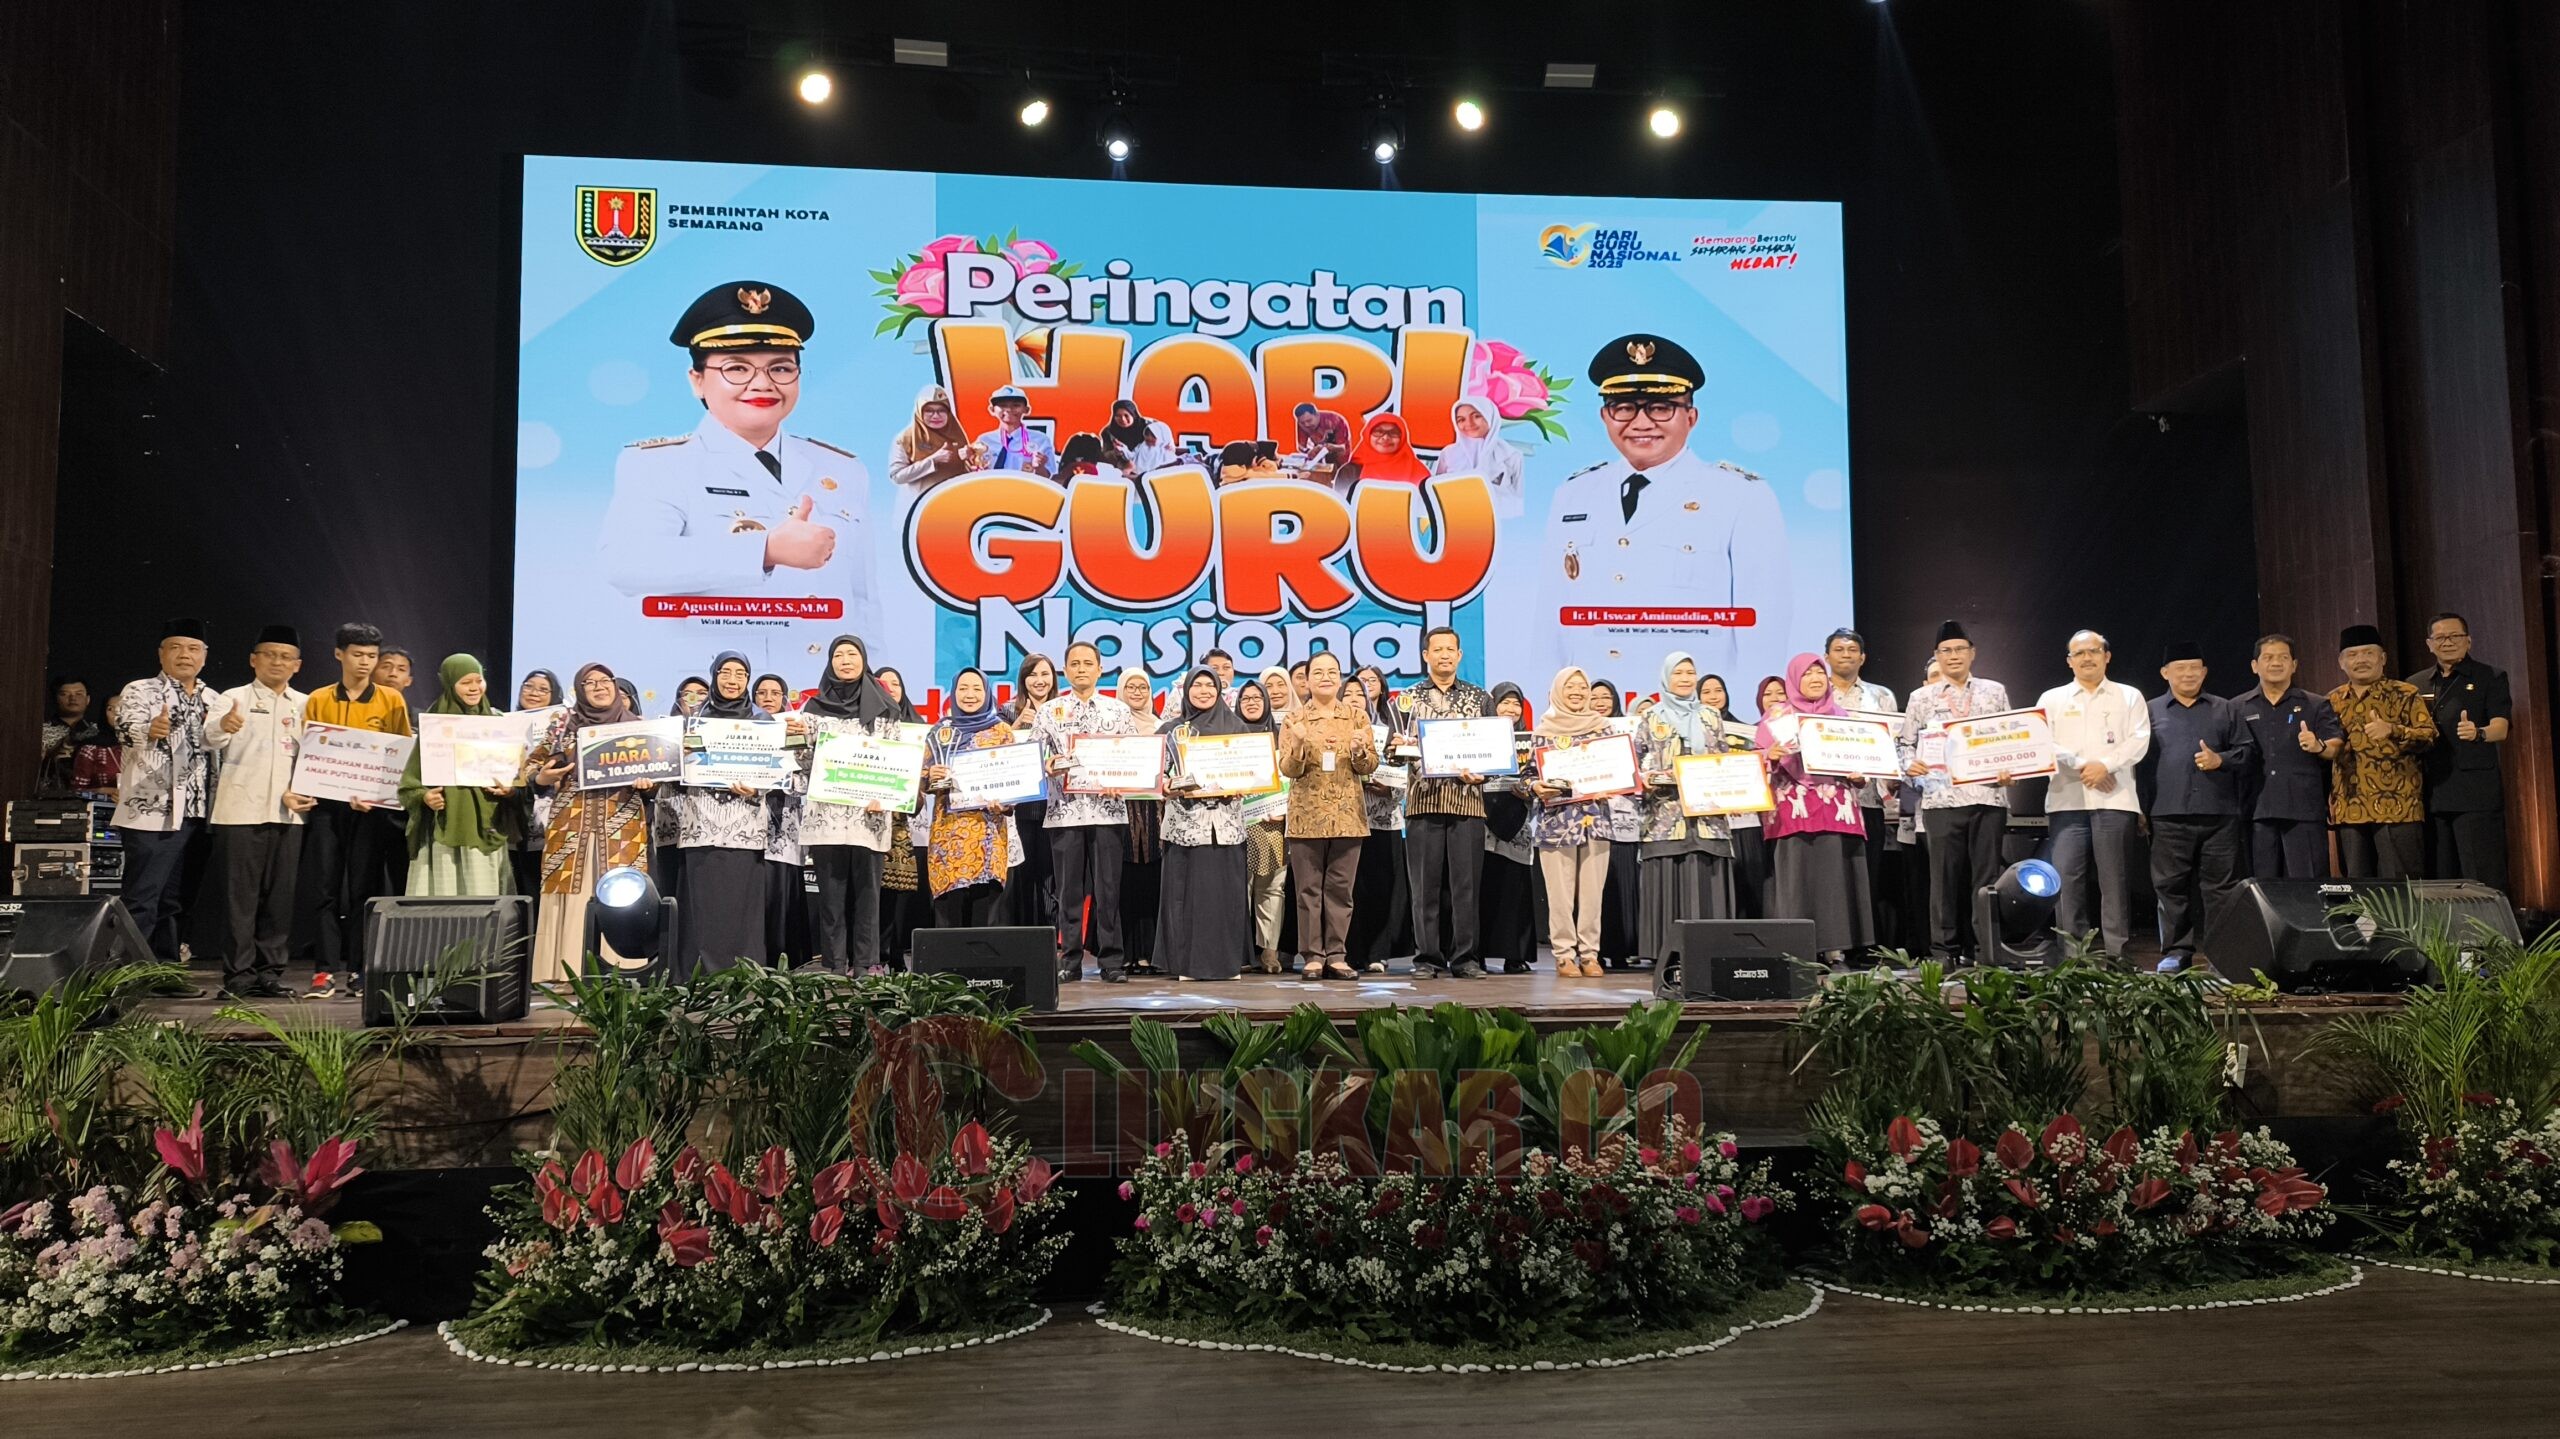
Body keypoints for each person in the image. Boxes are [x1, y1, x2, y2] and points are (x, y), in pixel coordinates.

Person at [597, 281, 879, 665]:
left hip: (823, 684)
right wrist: (765, 550)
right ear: (697, 380)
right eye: (737, 368)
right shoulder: (657, 465)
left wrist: (876, 678)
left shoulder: (843, 469)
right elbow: (628, 564)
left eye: (781, 368)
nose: (762, 384)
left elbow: (862, 601)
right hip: (712, 684)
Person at [1544, 333, 1790, 690]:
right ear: (1604, 416)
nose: (1641, 423)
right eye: (1624, 407)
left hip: (1693, 706)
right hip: (1592, 703)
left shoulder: (1741, 495)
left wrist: (1743, 714)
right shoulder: (1573, 494)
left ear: (1691, 417)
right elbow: (1550, 622)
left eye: (1660, 407)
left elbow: (1762, 627)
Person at [522, 664, 656, 984]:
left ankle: (620, 974)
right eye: (589, 682)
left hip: (622, 824)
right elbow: (531, 767)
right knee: (569, 894)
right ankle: (562, 974)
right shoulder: (563, 724)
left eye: (605, 680)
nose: (599, 687)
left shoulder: (637, 727)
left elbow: (658, 778)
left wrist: (649, 784)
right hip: (571, 824)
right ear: (579, 690)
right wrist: (541, 778)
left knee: (621, 897)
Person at [295, 622, 412, 988]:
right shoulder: (319, 699)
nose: (365, 662)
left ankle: (361, 968)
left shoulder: (390, 700)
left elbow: (399, 753)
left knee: (365, 889)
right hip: (327, 807)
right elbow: (309, 752)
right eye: (358, 654)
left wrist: (376, 794)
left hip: (370, 810)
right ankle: (325, 969)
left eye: (371, 656)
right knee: (326, 888)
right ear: (339, 654)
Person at [206, 626, 314, 997]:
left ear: (297, 665)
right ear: (254, 659)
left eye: (286, 657)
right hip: (239, 812)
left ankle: (270, 973)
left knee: (279, 898)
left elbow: (316, 758)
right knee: (240, 900)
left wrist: (306, 790)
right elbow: (209, 738)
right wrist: (223, 725)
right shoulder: (232, 697)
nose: (277, 662)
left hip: (288, 813)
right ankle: (238, 975)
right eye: (269, 655)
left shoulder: (306, 704)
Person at [1032, 641, 1147, 983]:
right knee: (1068, 891)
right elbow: (1031, 756)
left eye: (1087, 663)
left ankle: (1111, 961)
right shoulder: (1049, 711)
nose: (1081, 669)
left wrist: (1121, 781)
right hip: (1064, 813)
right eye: (1074, 664)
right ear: (1065, 670)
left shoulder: (1118, 711)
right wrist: (1046, 765)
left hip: (1108, 813)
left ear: (1100, 669)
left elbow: (1134, 756)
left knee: (1108, 891)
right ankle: (1069, 960)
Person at [1898, 621, 2013, 961]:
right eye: (1946, 651)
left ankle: (1985, 949)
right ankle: (1943, 951)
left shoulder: (1994, 691)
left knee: (1987, 880)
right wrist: (1910, 766)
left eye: (1960, 649)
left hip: (1989, 796)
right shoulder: (1921, 697)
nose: (1953, 656)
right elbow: (1904, 745)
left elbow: (2010, 737)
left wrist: (2011, 769)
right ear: (1936, 656)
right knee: (1943, 880)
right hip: (1940, 799)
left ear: (1972, 653)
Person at [2040, 631, 2151, 962]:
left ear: (2107, 656)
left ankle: (2117, 956)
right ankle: (2073, 959)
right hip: (2066, 800)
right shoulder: (2052, 699)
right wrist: (2081, 764)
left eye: (2093, 651)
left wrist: (2106, 765)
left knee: (2114, 881)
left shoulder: (2129, 696)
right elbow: (2042, 740)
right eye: (2079, 653)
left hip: (2114, 800)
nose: (2087, 658)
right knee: (2067, 883)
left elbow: (2139, 739)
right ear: (2069, 661)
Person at [1759, 653, 1875, 960]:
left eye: (1819, 673)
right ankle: (1797, 949)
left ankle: (1835, 948)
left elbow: (1860, 764)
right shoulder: (1777, 717)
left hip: (1836, 810)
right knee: (1797, 880)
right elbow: (1758, 762)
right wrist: (1770, 756)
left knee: (1834, 880)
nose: (1814, 679)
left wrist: (1860, 775)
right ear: (1795, 679)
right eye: (1807, 674)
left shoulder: (1841, 717)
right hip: (1793, 811)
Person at [2148, 642, 2254, 969]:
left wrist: (2220, 759)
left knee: (2221, 889)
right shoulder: (2149, 711)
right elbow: (2137, 764)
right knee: (2170, 887)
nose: (2188, 674)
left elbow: (2247, 752)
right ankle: (2175, 952)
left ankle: (2220, 956)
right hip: (2167, 813)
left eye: (2195, 667)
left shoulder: (2225, 708)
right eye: (2180, 668)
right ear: (2165, 673)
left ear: (2205, 672)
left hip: (2219, 813)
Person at [1397, 627, 1494, 980]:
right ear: (1425, 655)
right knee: (1424, 887)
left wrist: (1482, 774)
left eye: (1450, 649)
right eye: (1437, 649)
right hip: (1423, 802)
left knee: (1466, 886)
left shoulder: (1480, 698)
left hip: (1468, 803)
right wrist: (1402, 749)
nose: (1444, 655)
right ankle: (1427, 958)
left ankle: (1466, 958)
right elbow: (1394, 753)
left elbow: (1493, 750)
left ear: (1459, 655)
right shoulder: (1406, 699)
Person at [797, 636, 896, 973]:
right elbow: (803, 764)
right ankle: (835, 966)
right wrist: (795, 738)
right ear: (830, 662)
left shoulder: (885, 710)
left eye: (852, 654)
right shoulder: (812, 709)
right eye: (838, 655)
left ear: (864, 660)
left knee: (868, 896)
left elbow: (897, 761)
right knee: (831, 897)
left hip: (870, 816)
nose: (845, 660)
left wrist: (885, 796)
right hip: (826, 817)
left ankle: (866, 965)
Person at [674, 652, 778, 975]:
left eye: (740, 674)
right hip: (701, 824)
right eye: (725, 672)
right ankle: (698, 976)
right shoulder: (692, 721)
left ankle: (743, 974)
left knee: (741, 903)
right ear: (714, 676)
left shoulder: (764, 721)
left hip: (743, 825)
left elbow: (777, 773)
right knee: (703, 904)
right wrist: (681, 756)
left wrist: (758, 788)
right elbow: (672, 774)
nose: (732, 680)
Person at [1277, 651, 1378, 980]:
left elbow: (1369, 765)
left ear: (1340, 677)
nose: (1325, 677)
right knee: (1308, 890)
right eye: (1318, 672)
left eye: (1332, 672)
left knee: (1340, 889)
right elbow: (1288, 769)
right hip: (1306, 816)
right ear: (1306, 679)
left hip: (1348, 815)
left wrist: (1360, 751)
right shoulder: (1294, 719)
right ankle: (1312, 955)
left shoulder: (1357, 717)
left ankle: (1336, 954)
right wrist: (1298, 745)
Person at [1634, 651, 1736, 969]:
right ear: (1666, 677)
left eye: (1690, 673)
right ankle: (1667, 956)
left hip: (1707, 820)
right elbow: (1634, 765)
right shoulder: (1651, 718)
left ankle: (1710, 952)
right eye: (1678, 673)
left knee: (1706, 880)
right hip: (1665, 820)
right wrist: (1646, 778)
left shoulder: (1711, 716)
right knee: (1668, 882)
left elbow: (1724, 759)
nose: (1685, 678)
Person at [1158, 668, 1253, 980]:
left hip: (1226, 827)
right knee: (1188, 898)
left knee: (1226, 897)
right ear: (1185, 691)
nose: (1203, 690)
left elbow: (1255, 773)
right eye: (1196, 685)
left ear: (1219, 690)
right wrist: (1168, 786)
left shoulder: (1238, 728)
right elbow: (1157, 777)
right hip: (1186, 827)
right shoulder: (1171, 730)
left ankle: (1228, 964)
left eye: (1209, 685)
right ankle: (1187, 965)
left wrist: (1246, 784)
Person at [397, 656, 517, 896]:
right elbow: (409, 784)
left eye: (478, 681)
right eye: (465, 682)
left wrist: (510, 790)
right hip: (445, 826)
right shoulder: (435, 723)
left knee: (485, 899)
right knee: (444, 900)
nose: (474, 688)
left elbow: (514, 776)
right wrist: (425, 797)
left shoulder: (497, 723)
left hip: (485, 827)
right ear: (450, 684)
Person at [2410, 612, 2512, 890]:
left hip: (2475, 794)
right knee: (2440, 877)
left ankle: (2489, 921)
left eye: (2455, 636)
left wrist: (2478, 732)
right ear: (2429, 644)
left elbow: (2501, 728)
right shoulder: (2415, 684)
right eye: (2440, 637)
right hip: (2430, 793)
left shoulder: (2490, 676)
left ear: (2468, 641)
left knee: (2482, 875)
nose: (2448, 642)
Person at [1527, 667, 1615, 978]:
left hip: (1595, 821)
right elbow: (1528, 777)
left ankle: (1590, 954)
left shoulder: (1605, 730)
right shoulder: (1543, 732)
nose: (1576, 692)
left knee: (1592, 894)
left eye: (1582, 687)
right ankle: (1564, 955)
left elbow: (1620, 770)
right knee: (1560, 896)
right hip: (1557, 823)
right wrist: (1535, 786)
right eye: (1570, 687)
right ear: (1557, 691)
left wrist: (1614, 783)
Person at [2329, 624, 2435, 879]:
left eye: (2369, 653)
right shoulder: (2332, 700)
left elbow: (2429, 736)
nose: (2361, 660)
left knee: (2401, 885)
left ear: (2383, 658)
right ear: (2342, 662)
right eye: (2353, 655)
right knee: (2356, 885)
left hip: (2399, 806)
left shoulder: (2405, 693)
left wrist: (2393, 730)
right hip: (2350, 807)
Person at [1825, 628, 1906, 958]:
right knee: (1832, 878)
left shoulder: (1881, 697)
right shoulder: (1817, 694)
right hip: (1828, 803)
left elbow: (1894, 745)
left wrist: (1892, 778)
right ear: (1827, 656)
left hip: (1868, 801)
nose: (1845, 655)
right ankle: (1832, 945)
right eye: (1838, 649)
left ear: (1862, 657)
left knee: (1866, 876)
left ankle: (1863, 947)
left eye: (1852, 650)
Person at [2235, 634, 2343, 879]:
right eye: (2268, 658)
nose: (2276, 663)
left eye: (2283, 658)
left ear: (2294, 665)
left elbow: (2336, 745)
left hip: (2304, 809)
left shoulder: (2316, 704)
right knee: (2262, 886)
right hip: (2255, 809)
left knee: (2308, 883)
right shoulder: (2236, 707)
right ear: (2254, 666)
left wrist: (2318, 746)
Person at [923, 668, 1016, 928]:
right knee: (949, 916)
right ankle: (948, 958)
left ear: (987, 693)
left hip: (988, 837)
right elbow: (922, 780)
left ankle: (983, 958)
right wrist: (931, 776)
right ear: (953, 693)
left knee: (983, 915)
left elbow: (1015, 778)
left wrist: (1005, 802)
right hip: (948, 836)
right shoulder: (940, 732)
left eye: (977, 688)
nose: (970, 695)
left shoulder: (1002, 731)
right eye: (963, 688)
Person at [1340, 670, 1411, 975]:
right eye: (1349, 694)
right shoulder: (1333, 730)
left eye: (1361, 692)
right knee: (1350, 889)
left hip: (1384, 820)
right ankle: (1350, 952)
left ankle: (1378, 953)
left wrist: (1391, 788)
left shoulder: (1388, 729)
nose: (1356, 698)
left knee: (1382, 887)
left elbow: (1404, 771)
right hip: (1345, 821)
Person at [1479, 683, 1543, 973]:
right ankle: (1476, 954)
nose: (1510, 709)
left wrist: (1529, 788)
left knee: (1514, 891)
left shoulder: (1531, 742)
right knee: (1482, 891)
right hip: (1482, 824)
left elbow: (1540, 778)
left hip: (1517, 827)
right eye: (1504, 702)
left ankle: (1514, 955)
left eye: (1516, 703)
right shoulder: (1477, 738)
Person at [1583, 678, 1646, 969]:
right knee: (1598, 889)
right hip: (1592, 820)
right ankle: (1594, 950)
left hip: (1626, 820)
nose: (1600, 702)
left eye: (1606, 697)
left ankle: (1623, 949)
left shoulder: (1630, 732)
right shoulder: (1580, 731)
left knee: (1624, 885)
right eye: (1594, 697)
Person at [875, 666, 933, 969]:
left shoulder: (918, 732)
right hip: (869, 823)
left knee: (899, 895)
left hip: (902, 827)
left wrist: (918, 790)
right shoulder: (865, 729)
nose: (889, 689)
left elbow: (925, 785)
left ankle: (895, 954)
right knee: (872, 895)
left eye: (895, 683)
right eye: (882, 684)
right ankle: (871, 956)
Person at [1234, 678, 1290, 973]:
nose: (1252, 703)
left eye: (1258, 698)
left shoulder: (1283, 738)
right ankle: (1239, 952)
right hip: (1238, 827)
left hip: (1274, 826)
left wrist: (1285, 809)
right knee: (1238, 889)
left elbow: (1294, 780)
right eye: (1246, 698)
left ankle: (1270, 952)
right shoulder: (1228, 736)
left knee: (1272, 889)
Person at [1003, 653, 1060, 934]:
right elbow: (994, 752)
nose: (1039, 680)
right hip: (1022, 807)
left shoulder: (1062, 711)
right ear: (1023, 680)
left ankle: (1050, 935)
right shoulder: (1007, 711)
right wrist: (1015, 728)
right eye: (1032, 675)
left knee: (1051, 875)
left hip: (1056, 805)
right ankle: (1024, 936)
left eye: (1045, 674)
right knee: (1023, 874)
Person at [1115, 668, 1165, 975]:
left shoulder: (1161, 727)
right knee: (1123, 882)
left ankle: (1148, 953)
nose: (1137, 692)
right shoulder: (1111, 727)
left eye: (1143, 687)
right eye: (1131, 687)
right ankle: (1124, 952)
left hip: (1154, 813)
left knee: (1151, 882)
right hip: (1120, 812)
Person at [507, 670, 562, 905]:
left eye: (543, 689)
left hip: (548, 816)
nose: (534, 693)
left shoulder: (563, 729)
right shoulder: (503, 724)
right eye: (528, 686)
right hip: (512, 812)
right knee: (518, 888)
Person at [1433, 395, 1526, 519]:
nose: (1469, 423)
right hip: (1455, 520)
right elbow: (1437, 491)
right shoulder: (1449, 454)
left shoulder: (1511, 455)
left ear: (1490, 416)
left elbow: (1520, 499)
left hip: (1499, 522)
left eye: (1476, 416)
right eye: (1461, 420)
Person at [888, 384, 977, 498]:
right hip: (925, 502)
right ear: (920, 412)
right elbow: (897, 476)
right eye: (929, 411)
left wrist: (970, 459)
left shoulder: (956, 433)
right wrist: (932, 460)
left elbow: (966, 472)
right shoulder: (906, 438)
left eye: (941, 410)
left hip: (957, 499)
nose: (936, 416)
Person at [38, 676, 109, 798]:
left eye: (79, 694)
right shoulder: (40, 730)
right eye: (65, 694)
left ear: (88, 699)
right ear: (55, 698)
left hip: (91, 794)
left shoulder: (98, 731)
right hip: (48, 794)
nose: (73, 698)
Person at [977, 384, 1057, 476]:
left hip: (1024, 485)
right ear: (992, 410)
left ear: (1026, 409)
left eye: (1016, 405)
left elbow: (1049, 477)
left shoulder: (1040, 440)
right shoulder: (984, 441)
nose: (1009, 409)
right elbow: (975, 472)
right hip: (992, 485)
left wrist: (1040, 467)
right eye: (1002, 405)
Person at [1343, 412, 1428, 485]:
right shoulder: (1351, 471)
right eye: (1378, 432)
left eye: (1393, 433)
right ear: (1367, 435)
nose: (1386, 437)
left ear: (1403, 438)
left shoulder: (1417, 470)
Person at [1291, 401, 1353, 469]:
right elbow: (1301, 446)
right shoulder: (1302, 423)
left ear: (1317, 415)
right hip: (1319, 454)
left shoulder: (1335, 420)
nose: (1306, 425)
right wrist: (1309, 451)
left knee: (1341, 470)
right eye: (1302, 423)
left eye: (1309, 421)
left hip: (1340, 454)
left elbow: (1343, 448)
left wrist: (1329, 447)